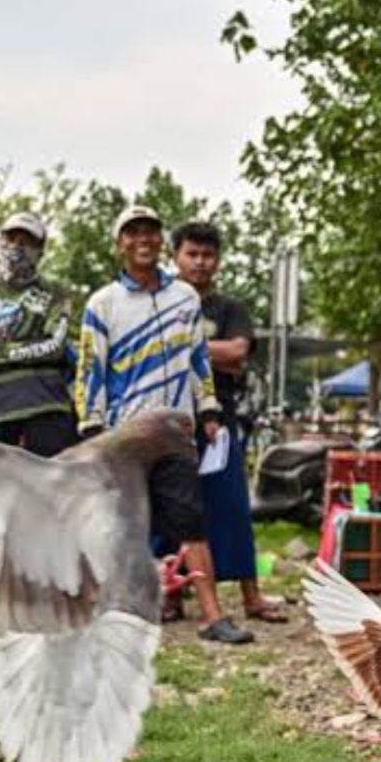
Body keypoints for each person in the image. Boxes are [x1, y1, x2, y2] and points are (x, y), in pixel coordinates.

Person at [75, 204, 253, 645]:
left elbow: (198, 361)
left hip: (176, 429)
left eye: (150, 231)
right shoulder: (102, 303)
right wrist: (91, 427)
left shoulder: (185, 298)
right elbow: (90, 370)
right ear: (120, 243)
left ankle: (212, 616)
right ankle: (108, 613)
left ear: (160, 241)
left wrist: (208, 411)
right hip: (124, 432)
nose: (143, 239)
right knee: (119, 523)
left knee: (190, 520)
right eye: (132, 232)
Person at [171, 219, 285, 623]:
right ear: (176, 256)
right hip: (171, 417)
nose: (200, 262)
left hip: (220, 420)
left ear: (218, 260)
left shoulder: (230, 308)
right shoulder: (163, 302)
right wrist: (212, 353)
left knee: (232, 504)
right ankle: (171, 594)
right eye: (192, 253)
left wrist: (181, 347)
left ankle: (252, 596)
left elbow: (237, 352)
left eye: (208, 254)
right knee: (172, 506)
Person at [0, 212, 77, 457]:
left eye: (27, 241)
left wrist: (2, 352)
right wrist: (31, 348)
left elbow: (55, 346)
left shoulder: (57, 292)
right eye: (11, 238)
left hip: (47, 403)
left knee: (51, 478)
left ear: (40, 251)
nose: (16, 246)